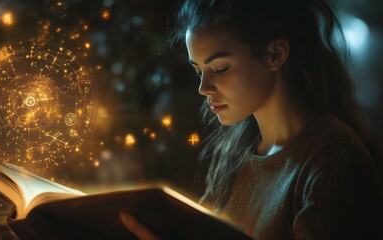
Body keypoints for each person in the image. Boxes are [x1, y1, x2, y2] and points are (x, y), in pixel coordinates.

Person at [120, 0, 383, 239]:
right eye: (197, 69)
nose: (203, 87)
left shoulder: (335, 159)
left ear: (275, 54)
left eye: (220, 68)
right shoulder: (234, 152)